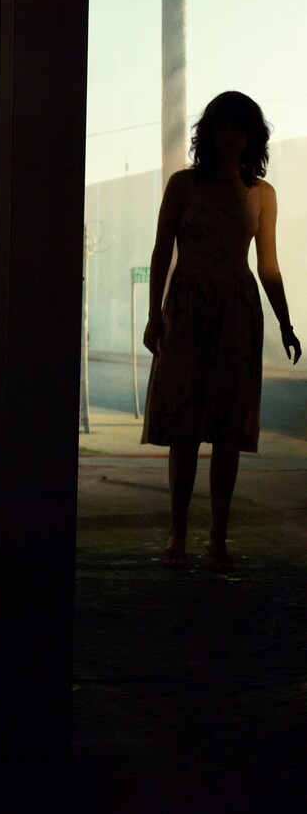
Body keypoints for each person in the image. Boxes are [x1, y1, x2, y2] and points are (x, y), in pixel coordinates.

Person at [142, 91, 301, 572]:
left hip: (237, 310)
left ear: (252, 135)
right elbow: (160, 253)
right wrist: (154, 315)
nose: (228, 135)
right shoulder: (183, 186)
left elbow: (268, 266)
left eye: (238, 126)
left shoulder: (262, 194)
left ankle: (217, 537)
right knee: (185, 429)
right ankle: (178, 533)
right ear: (208, 133)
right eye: (220, 125)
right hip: (187, 309)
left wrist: (286, 323)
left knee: (228, 431)